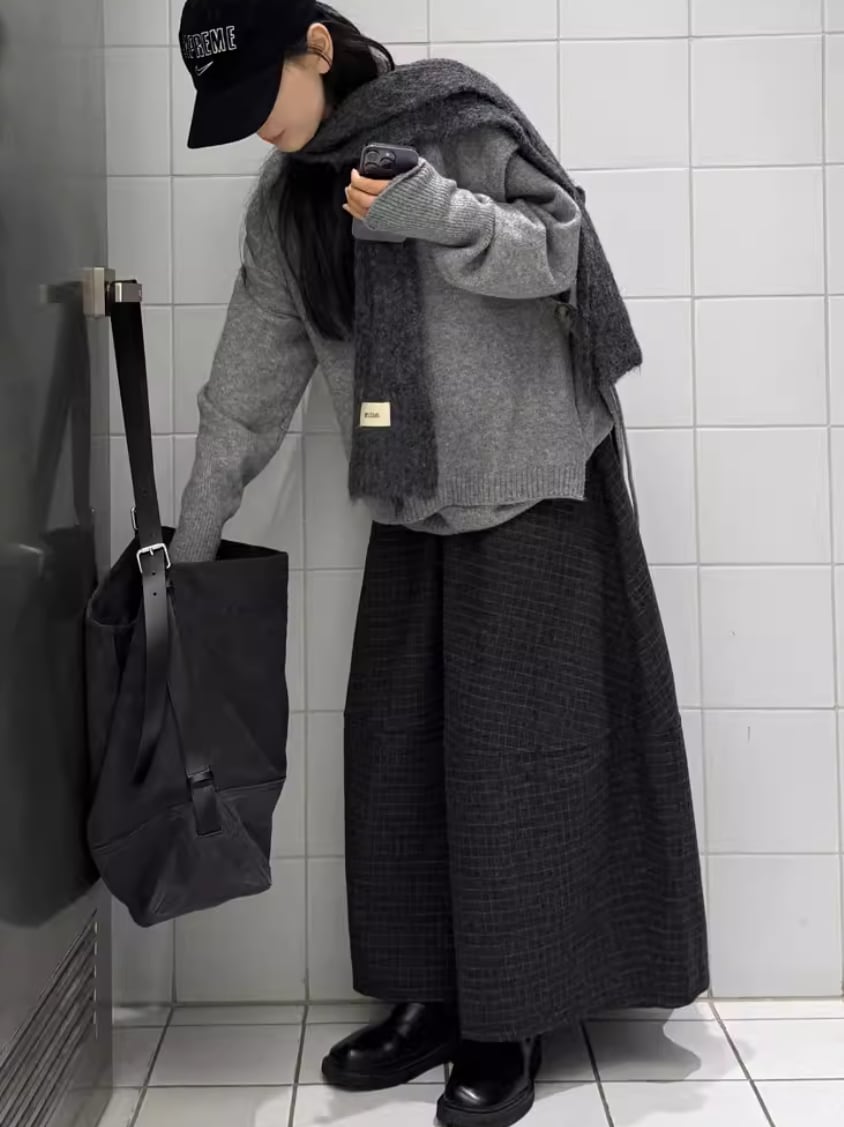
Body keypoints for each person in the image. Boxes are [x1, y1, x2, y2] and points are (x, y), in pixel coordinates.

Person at [173, 2, 709, 1124]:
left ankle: (507, 1021)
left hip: (533, 487)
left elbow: (561, 254)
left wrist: (437, 212)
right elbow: (247, 389)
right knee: (398, 758)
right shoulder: (289, 204)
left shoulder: (457, 121)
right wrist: (192, 547)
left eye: (259, 95)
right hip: (414, 499)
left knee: (518, 768)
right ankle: (427, 999)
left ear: (317, 48)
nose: (257, 127)